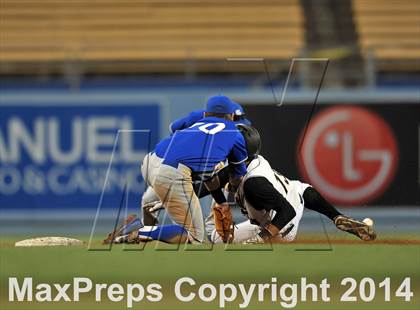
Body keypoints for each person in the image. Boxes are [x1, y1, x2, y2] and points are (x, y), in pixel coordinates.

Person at [209, 125, 377, 244]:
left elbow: (287, 211)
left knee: (218, 240)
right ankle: (336, 216)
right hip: (296, 194)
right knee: (300, 189)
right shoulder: (253, 161)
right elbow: (206, 186)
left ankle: (269, 240)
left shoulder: (254, 183)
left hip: (281, 225)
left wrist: (261, 238)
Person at [138, 95, 248, 244]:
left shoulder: (198, 119)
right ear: (231, 116)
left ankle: (146, 230)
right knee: (195, 236)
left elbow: (174, 130)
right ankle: (138, 230)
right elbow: (236, 177)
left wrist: (222, 202)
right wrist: (229, 198)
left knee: (151, 201)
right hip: (173, 169)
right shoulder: (234, 134)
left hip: (156, 159)